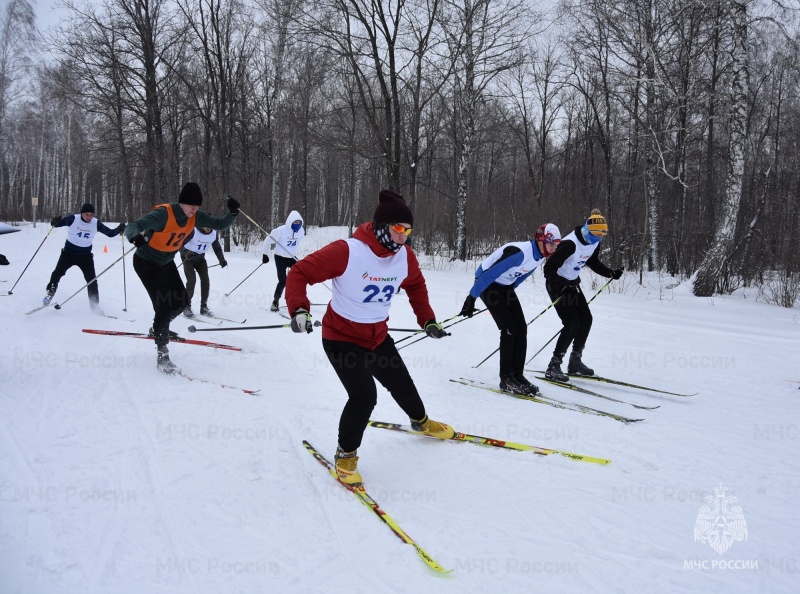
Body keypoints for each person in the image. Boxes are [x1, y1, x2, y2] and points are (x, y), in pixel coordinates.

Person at [285, 189, 454, 486]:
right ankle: (346, 453)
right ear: (381, 226)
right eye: (398, 229)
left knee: (402, 383)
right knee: (364, 397)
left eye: (408, 230)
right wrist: (299, 308)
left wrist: (427, 319)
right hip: (341, 338)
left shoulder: (405, 256)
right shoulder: (348, 251)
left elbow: (415, 285)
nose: (403, 236)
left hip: (377, 336)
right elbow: (299, 272)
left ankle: (421, 422)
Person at [124, 182, 239, 375]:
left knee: (181, 302)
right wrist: (134, 237)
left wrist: (233, 212)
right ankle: (162, 352)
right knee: (163, 305)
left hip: (166, 262)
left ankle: (159, 327)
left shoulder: (196, 217)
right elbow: (134, 225)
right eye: (190, 204)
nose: (194, 208)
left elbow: (220, 224)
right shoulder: (164, 215)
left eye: (197, 205)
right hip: (146, 262)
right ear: (181, 203)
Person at [459, 223, 562, 395]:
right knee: (509, 328)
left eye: (556, 246)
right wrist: (472, 298)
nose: (553, 249)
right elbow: (489, 274)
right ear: (540, 240)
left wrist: (507, 296)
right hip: (487, 283)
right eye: (551, 244)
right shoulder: (519, 252)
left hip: (504, 287)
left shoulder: (540, 256)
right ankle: (506, 378)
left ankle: (517, 375)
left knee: (521, 328)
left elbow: (522, 275)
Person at [542, 209, 623, 381]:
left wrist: (610, 273)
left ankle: (575, 362)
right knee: (572, 323)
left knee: (586, 319)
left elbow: (592, 261)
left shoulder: (594, 241)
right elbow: (548, 269)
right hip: (557, 284)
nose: (598, 239)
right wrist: (562, 286)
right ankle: (553, 366)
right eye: (596, 236)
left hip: (572, 284)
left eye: (602, 236)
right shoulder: (569, 244)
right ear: (587, 230)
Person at [43, 203, 125, 312]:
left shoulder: (95, 223)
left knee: (92, 280)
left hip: (85, 256)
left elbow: (109, 233)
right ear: (82, 213)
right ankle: (50, 293)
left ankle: (94, 305)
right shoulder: (73, 219)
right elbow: (56, 224)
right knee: (58, 272)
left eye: (91, 214)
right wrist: (55, 221)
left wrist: (119, 229)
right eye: (87, 214)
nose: (89, 217)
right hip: (68, 253)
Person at [180, 226, 228, 318]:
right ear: (202, 224)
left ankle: (204, 307)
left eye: (210, 226)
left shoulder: (213, 234)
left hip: (200, 259)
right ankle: (186, 306)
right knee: (191, 280)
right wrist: (185, 252)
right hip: (188, 258)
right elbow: (179, 244)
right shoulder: (193, 231)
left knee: (205, 281)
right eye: (207, 226)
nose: (209, 228)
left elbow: (217, 248)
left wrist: (221, 259)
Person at [262, 210, 305, 312]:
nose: (297, 225)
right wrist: (265, 254)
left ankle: (301, 299)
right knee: (283, 281)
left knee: (302, 276)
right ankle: (275, 302)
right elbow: (267, 241)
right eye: (295, 223)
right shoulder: (280, 231)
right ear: (290, 222)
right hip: (280, 257)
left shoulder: (301, 231)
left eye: (299, 223)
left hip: (292, 257)